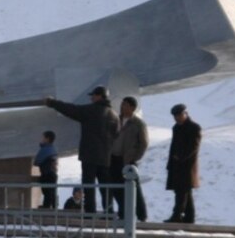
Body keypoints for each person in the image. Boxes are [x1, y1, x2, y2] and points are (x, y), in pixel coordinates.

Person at [45, 86, 119, 214]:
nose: (91, 98)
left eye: (93, 95)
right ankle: (108, 212)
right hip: (106, 157)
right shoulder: (114, 115)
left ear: (99, 96)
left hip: (89, 156)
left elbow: (71, 109)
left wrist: (53, 103)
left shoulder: (91, 110)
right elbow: (117, 136)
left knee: (89, 186)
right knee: (106, 187)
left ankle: (90, 213)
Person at [110, 96, 149, 221]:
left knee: (134, 189)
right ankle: (124, 213)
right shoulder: (117, 120)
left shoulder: (138, 123)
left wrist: (135, 157)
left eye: (125, 105)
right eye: (122, 104)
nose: (122, 107)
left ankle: (142, 216)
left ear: (132, 108)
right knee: (116, 188)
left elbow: (144, 143)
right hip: (114, 159)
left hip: (128, 161)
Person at [164, 103, 201, 223]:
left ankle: (177, 215)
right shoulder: (176, 128)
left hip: (187, 166)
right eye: (175, 116)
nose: (177, 118)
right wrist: (170, 163)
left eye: (179, 115)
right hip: (176, 165)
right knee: (184, 192)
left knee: (181, 192)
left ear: (186, 113)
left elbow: (193, 147)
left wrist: (180, 157)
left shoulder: (194, 127)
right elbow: (173, 147)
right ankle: (189, 217)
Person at [33, 130, 58, 209]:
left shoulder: (45, 149)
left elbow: (36, 161)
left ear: (47, 139)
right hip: (52, 174)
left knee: (47, 192)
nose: (41, 139)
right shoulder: (53, 149)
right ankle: (53, 208)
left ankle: (46, 208)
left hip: (46, 174)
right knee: (51, 192)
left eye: (43, 137)